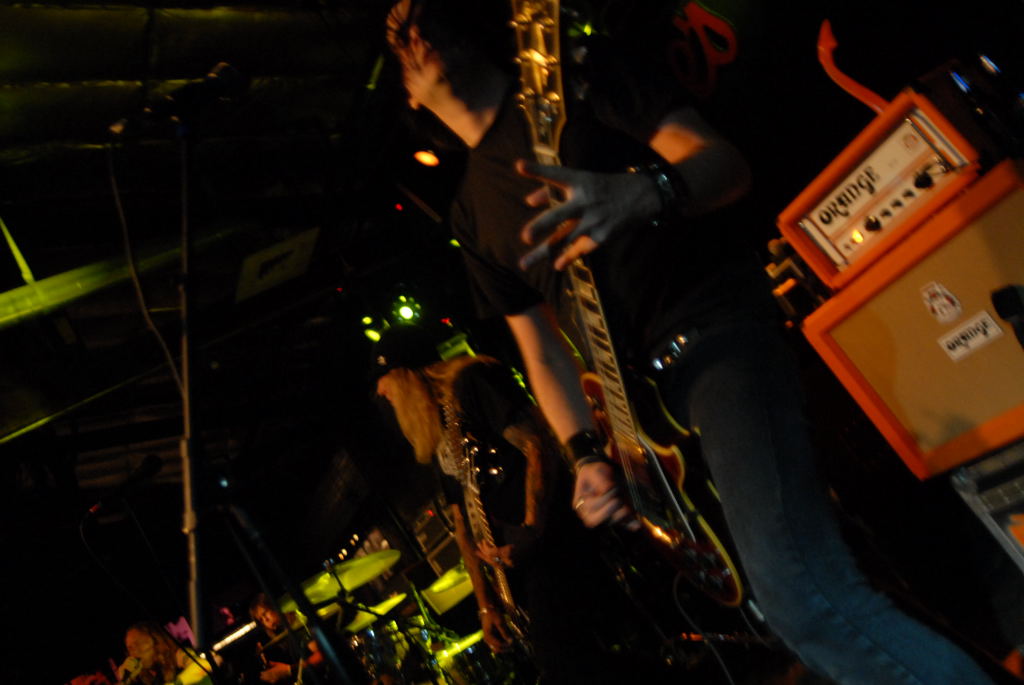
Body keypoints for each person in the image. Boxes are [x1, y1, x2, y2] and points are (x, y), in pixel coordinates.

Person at [382, 1, 1001, 683]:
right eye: (398, 35)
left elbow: (725, 165)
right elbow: (542, 352)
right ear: (407, 95)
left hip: (714, 332)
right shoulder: (470, 212)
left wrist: (645, 192)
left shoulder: (565, 79)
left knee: (801, 595)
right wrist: (586, 456)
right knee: (788, 602)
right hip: (646, 410)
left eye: (424, 16)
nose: (417, 33)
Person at [373, 325, 672, 683]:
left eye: (384, 380)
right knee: (574, 659)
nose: (381, 392)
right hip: (518, 560)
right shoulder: (438, 427)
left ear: (406, 373)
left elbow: (536, 445)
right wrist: (487, 604)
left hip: (554, 536)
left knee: (564, 660)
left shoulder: (471, 382)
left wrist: (532, 527)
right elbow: (461, 520)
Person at [248, 593, 326, 684]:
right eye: (261, 619)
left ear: (274, 606)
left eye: (265, 613)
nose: (265, 620)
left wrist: (289, 669)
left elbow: (322, 655)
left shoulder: (298, 626)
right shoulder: (287, 633)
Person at [116, 621, 213, 685]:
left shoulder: (178, 656)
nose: (134, 652)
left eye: (138, 643)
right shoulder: (149, 677)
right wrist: (125, 681)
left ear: (155, 640)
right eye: (130, 648)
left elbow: (204, 665)